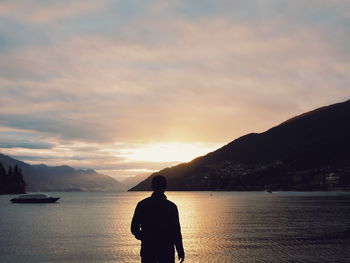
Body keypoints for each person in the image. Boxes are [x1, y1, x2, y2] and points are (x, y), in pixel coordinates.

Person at [131, 175, 185, 263]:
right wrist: (180, 251)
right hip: (166, 250)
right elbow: (176, 232)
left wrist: (145, 237)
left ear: (152, 186)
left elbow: (134, 228)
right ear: (165, 187)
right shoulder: (171, 207)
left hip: (148, 249)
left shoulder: (142, 204)